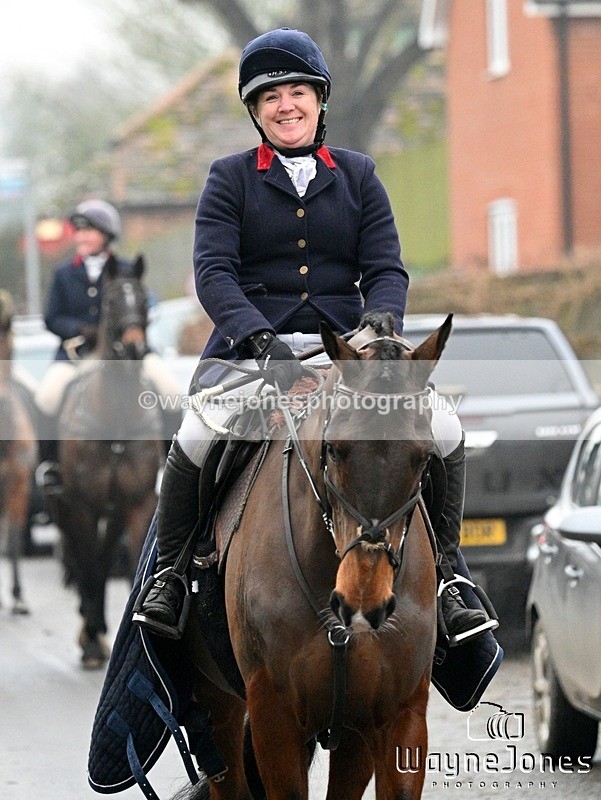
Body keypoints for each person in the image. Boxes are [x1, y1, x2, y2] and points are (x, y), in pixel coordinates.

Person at [133, 28, 498, 646]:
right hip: (255, 354)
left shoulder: (359, 176)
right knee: (196, 434)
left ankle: (451, 578)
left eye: (297, 91)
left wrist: (378, 332)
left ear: (319, 100)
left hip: (350, 355)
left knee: (443, 428)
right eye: (270, 97)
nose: (286, 105)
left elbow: (385, 269)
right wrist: (260, 342)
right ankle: (172, 574)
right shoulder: (229, 179)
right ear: (255, 111)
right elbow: (214, 274)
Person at [35, 198, 181, 485]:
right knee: (47, 397)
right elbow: (51, 318)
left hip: (128, 354)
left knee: (171, 390)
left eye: (89, 230)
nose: (81, 237)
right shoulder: (64, 274)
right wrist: (81, 329)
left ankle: (171, 464)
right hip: (77, 353)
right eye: (78, 231)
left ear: (107, 235)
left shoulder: (127, 269)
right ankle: (50, 465)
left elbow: (141, 309)